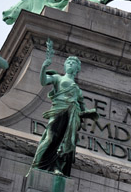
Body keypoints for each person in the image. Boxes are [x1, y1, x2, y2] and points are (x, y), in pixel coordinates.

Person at [29, 39, 96, 176]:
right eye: (69, 62)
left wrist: (89, 113)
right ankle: (39, 163)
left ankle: (57, 166)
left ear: (77, 69)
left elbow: (83, 109)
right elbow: (43, 81)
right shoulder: (58, 78)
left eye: (74, 64)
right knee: (50, 137)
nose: (71, 64)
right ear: (65, 66)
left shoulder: (78, 90)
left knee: (65, 142)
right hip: (59, 111)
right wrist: (43, 67)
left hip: (72, 116)